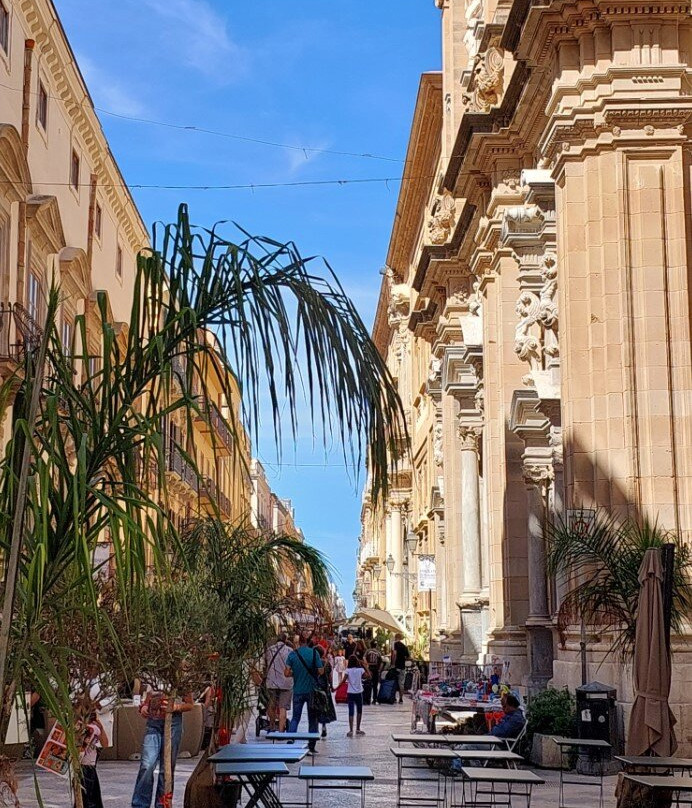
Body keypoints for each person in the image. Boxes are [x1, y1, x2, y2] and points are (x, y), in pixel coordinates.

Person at [130, 688, 194, 808]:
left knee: (167, 768)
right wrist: (144, 706)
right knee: (147, 765)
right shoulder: (151, 675)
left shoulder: (180, 678)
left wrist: (176, 707)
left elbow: (190, 704)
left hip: (173, 723)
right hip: (153, 722)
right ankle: (140, 804)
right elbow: (148, 696)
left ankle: (162, 803)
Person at [284, 635, 324, 753]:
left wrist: (294, 673)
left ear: (298, 643)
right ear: (307, 642)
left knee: (295, 717)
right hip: (311, 690)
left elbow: (286, 673)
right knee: (312, 718)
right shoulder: (313, 653)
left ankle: (290, 738)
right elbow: (321, 671)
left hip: (297, 691)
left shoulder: (292, 654)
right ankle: (311, 745)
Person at [76, 707, 107, 808]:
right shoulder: (78, 726)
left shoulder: (95, 727)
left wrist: (101, 729)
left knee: (92, 796)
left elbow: (105, 743)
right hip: (82, 765)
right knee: (85, 796)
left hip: (90, 765)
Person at [264, 633, 293, 732]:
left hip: (271, 681)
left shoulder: (269, 649)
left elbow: (265, 664)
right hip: (286, 683)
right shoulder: (290, 651)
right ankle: (281, 730)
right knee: (282, 708)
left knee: (271, 705)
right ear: (286, 640)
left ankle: (272, 726)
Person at [340, 655, 370, 737]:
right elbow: (369, 676)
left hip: (350, 693)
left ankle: (350, 730)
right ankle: (358, 729)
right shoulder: (360, 670)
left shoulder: (347, 670)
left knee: (351, 712)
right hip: (359, 692)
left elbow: (343, 681)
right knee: (359, 711)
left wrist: (335, 688)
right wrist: (365, 666)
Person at [315, 646, 337, 738]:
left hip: (315, 688)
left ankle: (315, 728)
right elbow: (330, 677)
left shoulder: (313, 663)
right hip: (325, 688)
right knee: (324, 708)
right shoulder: (327, 663)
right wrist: (331, 686)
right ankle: (324, 726)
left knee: (315, 708)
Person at [392, 634, 410, 704]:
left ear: (396, 637)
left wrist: (393, 664)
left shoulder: (395, 644)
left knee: (394, 682)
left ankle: (393, 698)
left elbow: (394, 654)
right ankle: (401, 698)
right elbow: (408, 657)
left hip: (396, 666)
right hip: (402, 667)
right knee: (401, 683)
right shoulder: (404, 646)